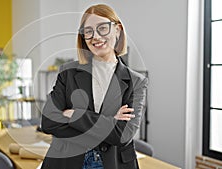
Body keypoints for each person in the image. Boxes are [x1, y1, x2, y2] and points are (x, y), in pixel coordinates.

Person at [40, 4, 148, 169]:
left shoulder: (136, 81)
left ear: (117, 29)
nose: (95, 36)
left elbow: (122, 135)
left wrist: (76, 114)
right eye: (88, 31)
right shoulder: (68, 73)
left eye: (102, 28)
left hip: (113, 163)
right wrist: (109, 123)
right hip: (68, 161)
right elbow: (48, 122)